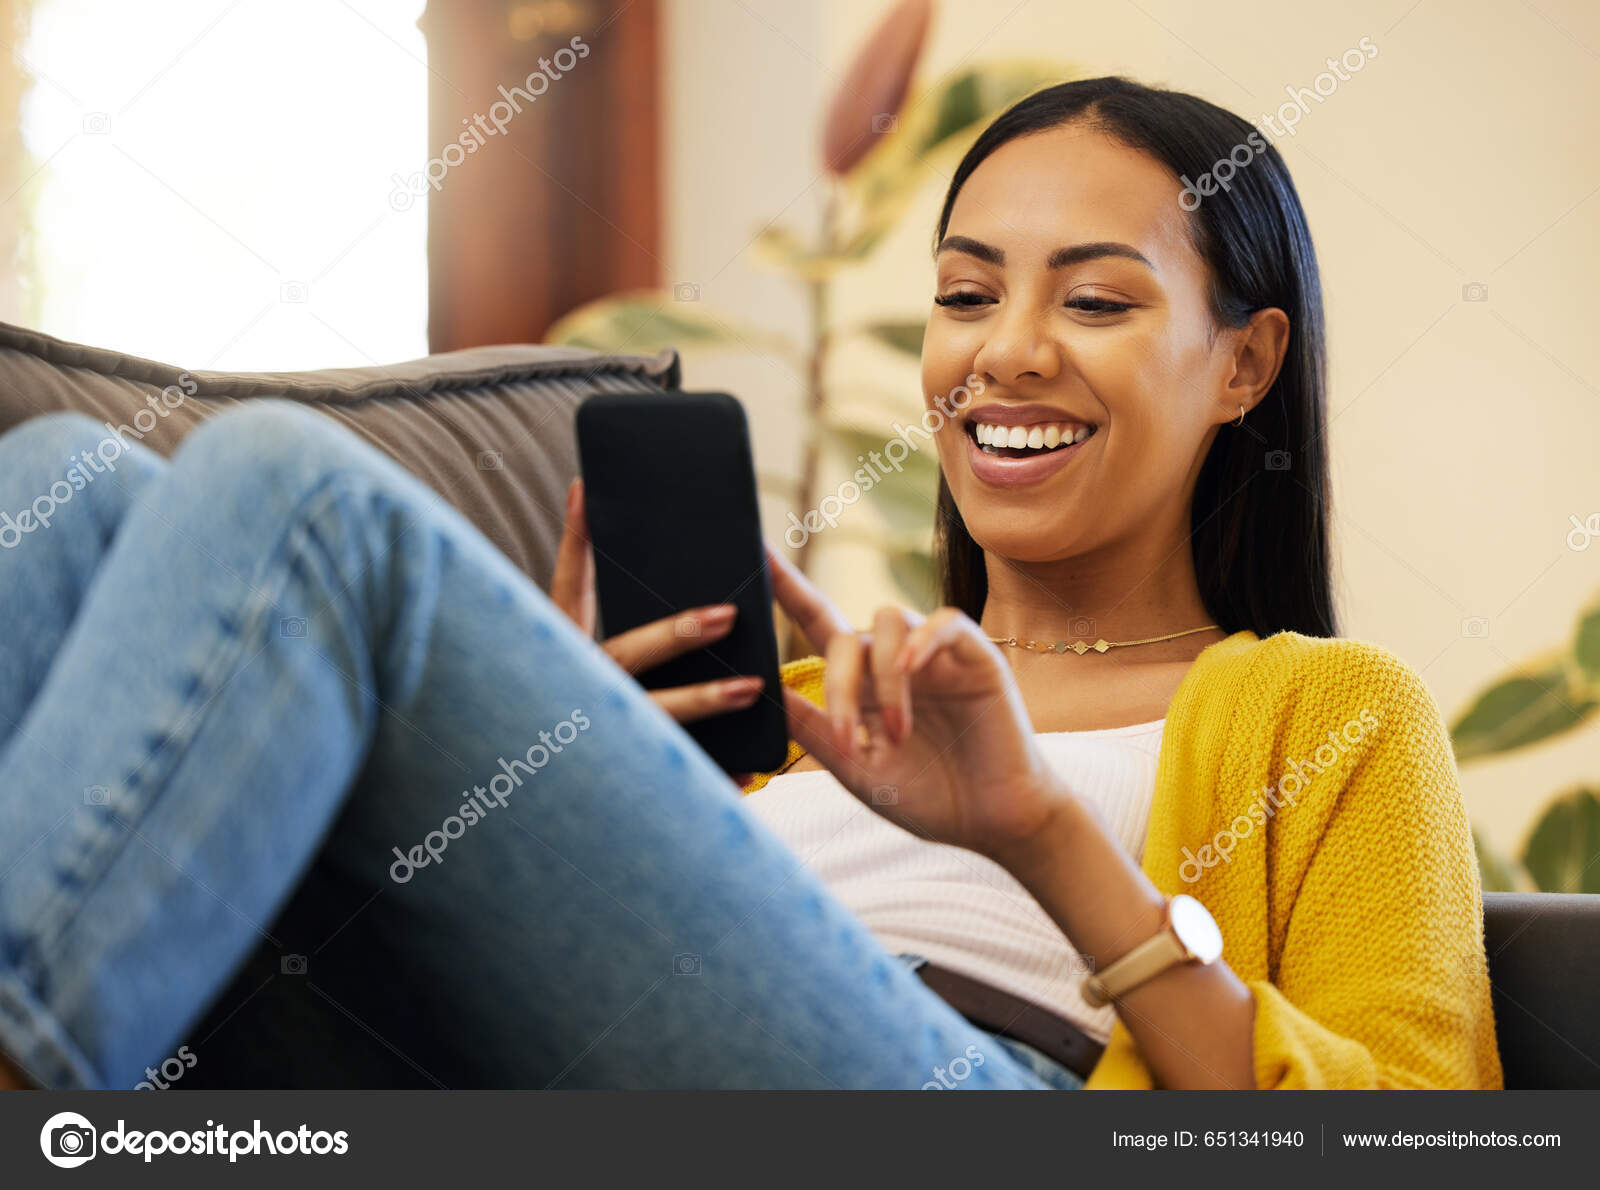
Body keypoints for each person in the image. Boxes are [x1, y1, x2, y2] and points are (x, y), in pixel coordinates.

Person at [0, 77, 1500, 1091]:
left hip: (989, 1080)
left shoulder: (1330, 711)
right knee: (61, 488)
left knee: (293, 492)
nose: (1007, 352)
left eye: (1096, 299)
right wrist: (580, 753)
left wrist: (1040, 831)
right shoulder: (787, 714)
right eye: (967, 293)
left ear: (1247, 363)